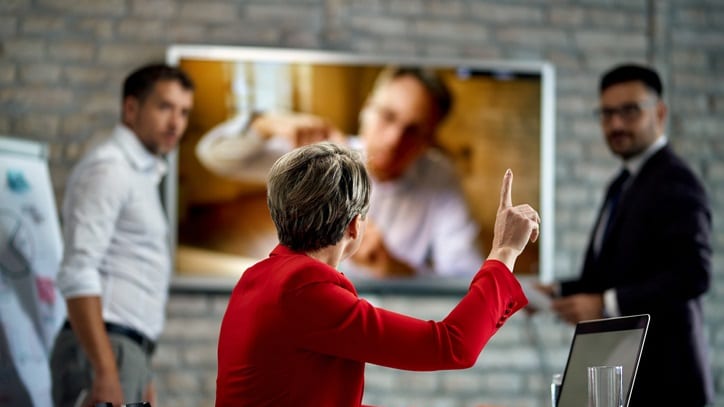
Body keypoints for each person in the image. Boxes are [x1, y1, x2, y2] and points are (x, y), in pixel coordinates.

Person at [215, 142, 540, 405]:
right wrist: (505, 251)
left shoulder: (258, 278)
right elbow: (452, 345)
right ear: (355, 225)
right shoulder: (303, 289)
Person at [195, 67, 483, 278]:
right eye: (388, 116)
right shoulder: (322, 156)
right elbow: (214, 156)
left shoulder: (441, 179)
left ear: (428, 140)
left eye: (414, 130)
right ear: (366, 109)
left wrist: (394, 269)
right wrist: (266, 123)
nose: (394, 140)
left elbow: (464, 278)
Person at [537, 64, 713, 406]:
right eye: (607, 114)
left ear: (659, 113)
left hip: (667, 384)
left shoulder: (675, 181)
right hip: (622, 378)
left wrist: (604, 304)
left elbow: (693, 275)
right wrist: (555, 292)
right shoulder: (623, 183)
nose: (616, 124)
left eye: (629, 111)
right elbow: (612, 276)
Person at [49, 63, 194, 407]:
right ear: (131, 108)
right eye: (164, 107)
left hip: (126, 353)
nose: (176, 123)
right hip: (103, 351)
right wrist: (107, 370)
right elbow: (77, 271)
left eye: (184, 112)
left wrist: (140, 371)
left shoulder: (140, 174)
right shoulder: (109, 168)